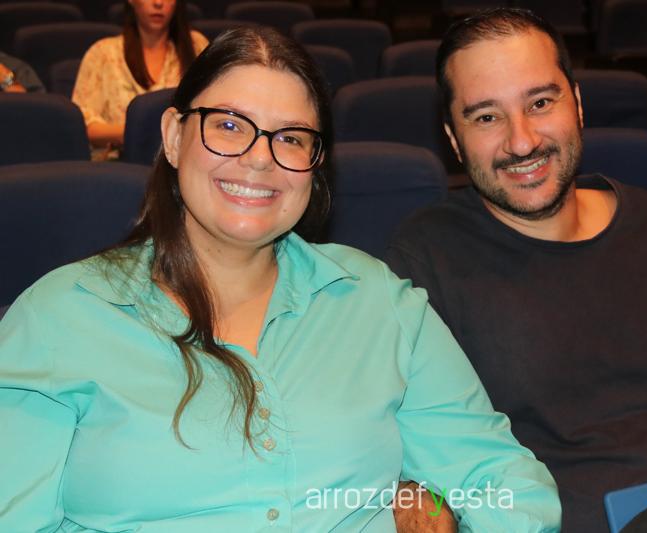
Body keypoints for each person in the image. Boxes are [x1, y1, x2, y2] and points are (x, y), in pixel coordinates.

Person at [0, 27, 560, 532]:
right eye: (228, 126)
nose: (259, 159)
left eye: (291, 137)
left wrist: (451, 513)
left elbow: (505, 485)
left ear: (316, 166)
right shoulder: (59, 318)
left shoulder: (377, 302)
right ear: (173, 136)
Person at [386, 8, 647, 532]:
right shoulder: (423, 261)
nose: (522, 141)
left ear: (577, 104)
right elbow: (394, 452)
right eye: (486, 117)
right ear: (453, 138)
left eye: (540, 103)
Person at [72, 0, 207, 159]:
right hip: (120, 164)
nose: (158, 3)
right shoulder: (102, 53)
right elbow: (85, 126)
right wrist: (142, 134)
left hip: (182, 161)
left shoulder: (197, 47)